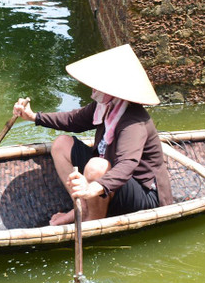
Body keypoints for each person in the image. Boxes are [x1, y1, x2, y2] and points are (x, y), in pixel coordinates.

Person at [12, 44, 172, 225]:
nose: (92, 90)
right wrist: (34, 117)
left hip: (144, 196)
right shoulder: (106, 106)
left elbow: (127, 165)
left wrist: (93, 188)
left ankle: (91, 220)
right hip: (108, 183)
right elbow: (73, 120)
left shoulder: (134, 121)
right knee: (62, 144)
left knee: (96, 167)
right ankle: (82, 208)